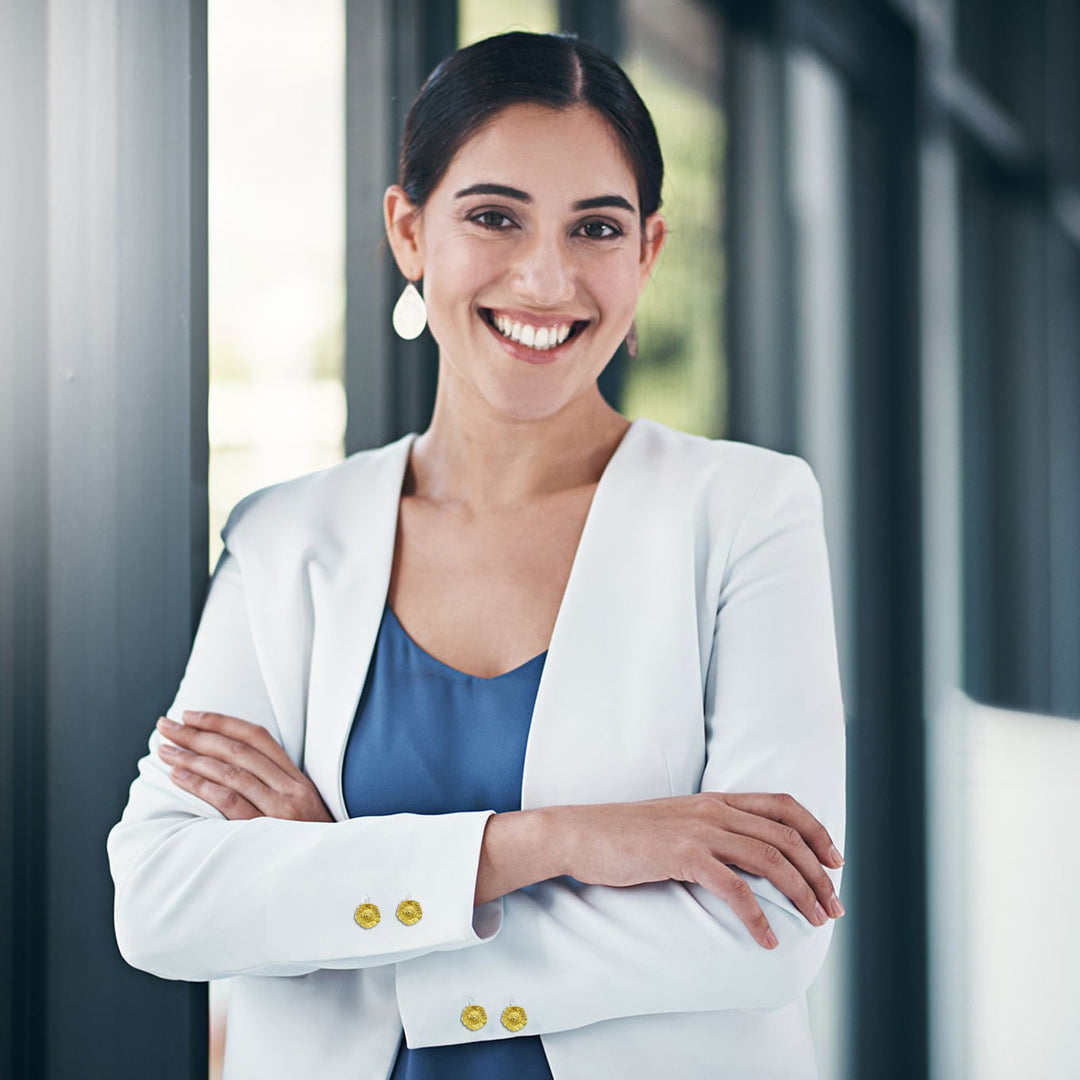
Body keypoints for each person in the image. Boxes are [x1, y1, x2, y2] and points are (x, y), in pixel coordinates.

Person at [107, 30, 846, 1080]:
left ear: (647, 254)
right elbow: (163, 900)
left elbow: (769, 923)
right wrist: (550, 844)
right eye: (494, 217)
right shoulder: (286, 540)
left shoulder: (745, 513)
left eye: (596, 227)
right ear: (409, 231)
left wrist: (337, 887)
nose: (546, 277)